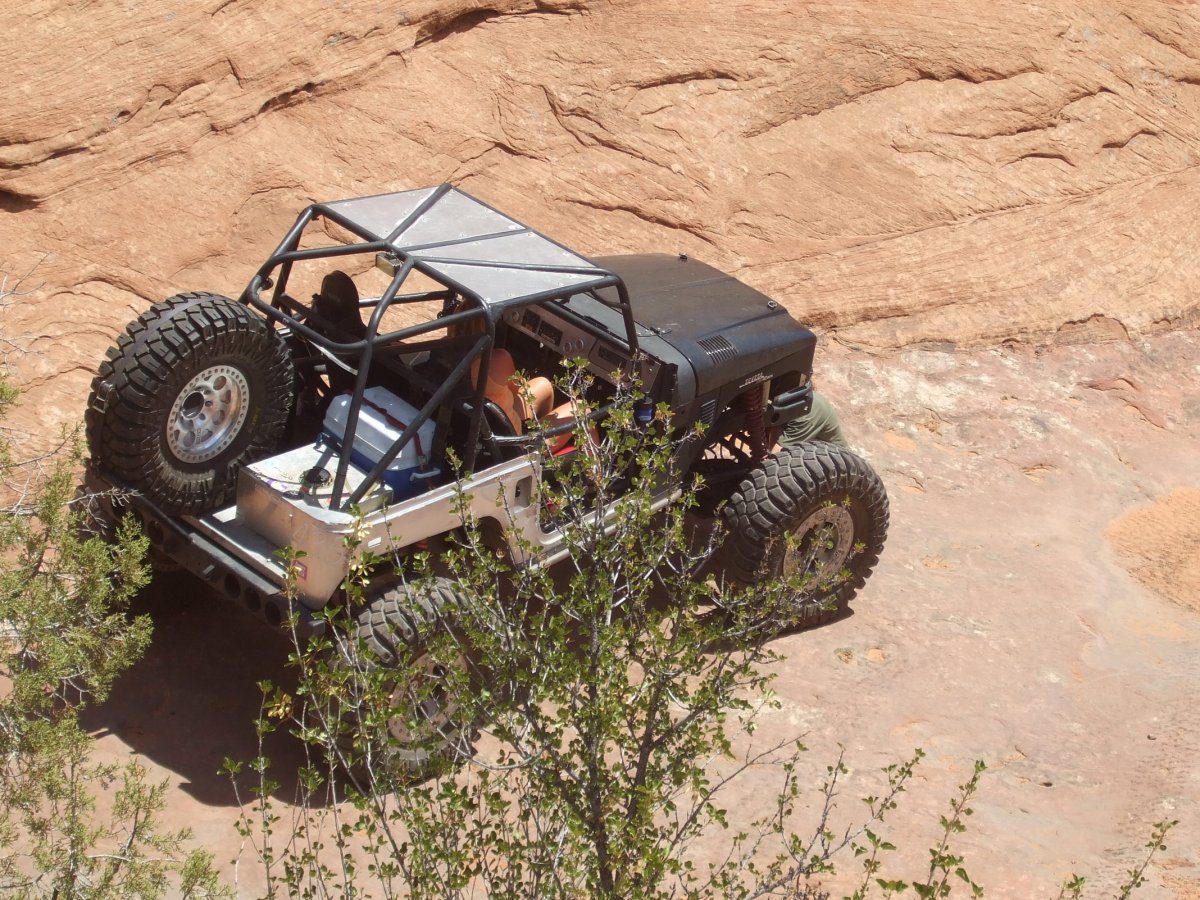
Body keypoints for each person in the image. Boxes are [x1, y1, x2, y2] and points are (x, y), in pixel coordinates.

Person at [779, 390, 849, 449]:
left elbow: (778, 455)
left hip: (832, 459)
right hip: (810, 451)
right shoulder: (797, 396)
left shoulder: (804, 413)